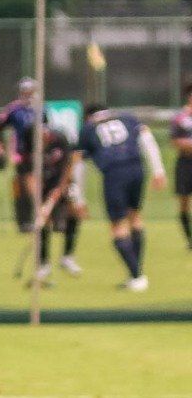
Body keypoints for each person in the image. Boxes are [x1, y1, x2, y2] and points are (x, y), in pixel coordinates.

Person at [77, 104, 166, 292]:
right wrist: (158, 170)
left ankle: (137, 277)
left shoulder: (88, 128)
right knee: (135, 217)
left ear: (87, 116)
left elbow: (79, 165)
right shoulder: (127, 118)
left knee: (117, 226)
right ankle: (136, 273)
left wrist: (79, 199)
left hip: (114, 173)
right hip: (137, 168)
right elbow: (147, 139)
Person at [28, 125, 81, 287]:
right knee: (42, 222)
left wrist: (60, 188)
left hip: (63, 182)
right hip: (43, 185)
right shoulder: (31, 146)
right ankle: (43, 264)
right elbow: (30, 176)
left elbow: (69, 164)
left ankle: (67, 257)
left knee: (73, 215)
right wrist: (39, 201)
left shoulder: (60, 139)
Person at [0, 78, 39, 232]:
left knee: (36, 187)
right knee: (23, 187)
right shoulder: (14, 109)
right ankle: (24, 222)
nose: (28, 94)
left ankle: (37, 219)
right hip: (20, 154)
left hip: (38, 155)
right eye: (25, 91)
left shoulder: (40, 109)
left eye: (30, 91)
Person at [169, 84, 192, 249]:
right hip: (185, 162)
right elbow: (175, 141)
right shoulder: (180, 118)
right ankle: (189, 239)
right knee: (183, 201)